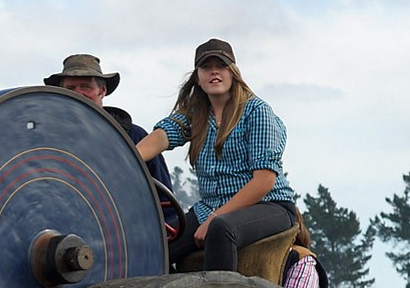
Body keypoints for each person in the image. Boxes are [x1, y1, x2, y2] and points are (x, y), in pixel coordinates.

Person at [135, 38, 299, 273]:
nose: (214, 71)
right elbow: (163, 135)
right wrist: (130, 160)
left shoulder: (257, 112)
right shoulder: (196, 113)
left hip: (268, 205)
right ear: (198, 78)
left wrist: (213, 219)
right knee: (153, 246)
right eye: (206, 66)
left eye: (220, 65)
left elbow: (264, 181)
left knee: (221, 229)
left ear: (232, 72)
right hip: (210, 206)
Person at [45, 54, 175, 197]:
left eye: (86, 87)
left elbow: (165, 203)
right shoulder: (47, 140)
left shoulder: (134, 137)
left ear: (102, 91)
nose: (78, 93)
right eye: (71, 88)